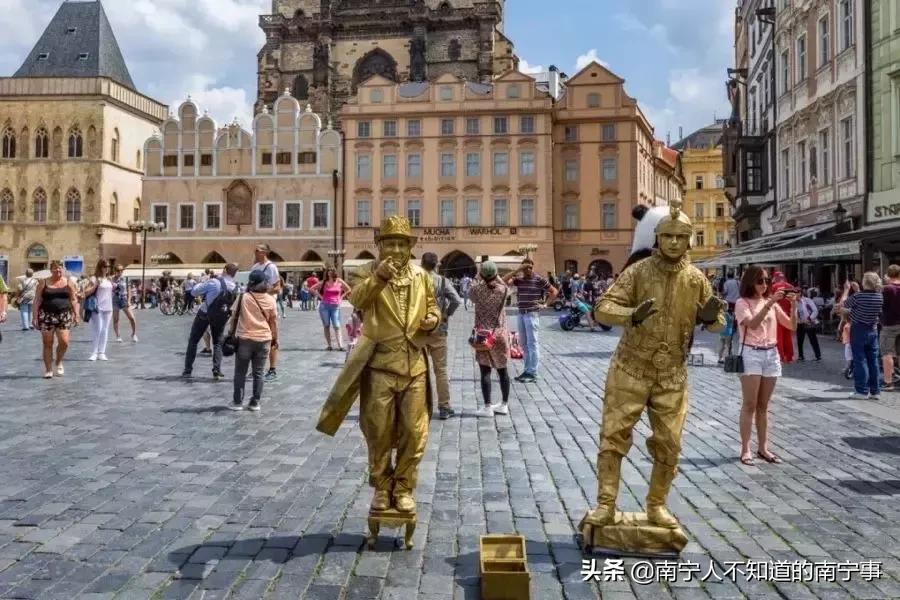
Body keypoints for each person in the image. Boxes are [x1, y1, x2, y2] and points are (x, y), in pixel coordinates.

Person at [586, 201, 724, 535]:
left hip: (672, 374)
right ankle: (606, 503)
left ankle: (657, 504)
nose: (674, 242)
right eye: (668, 236)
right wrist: (630, 315)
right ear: (657, 238)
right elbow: (602, 309)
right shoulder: (639, 271)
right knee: (613, 438)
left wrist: (709, 318)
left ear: (689, 240)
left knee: (670, 443)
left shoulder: (696, 279)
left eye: (680, 236)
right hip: (630, 368)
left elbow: (718, 322)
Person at [317, 216, 440, 514]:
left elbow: (433, 305)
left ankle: (404, 486)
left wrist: (433, 319)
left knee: (414, 430)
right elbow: (357, 300)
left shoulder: (422, 276)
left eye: (402, 244)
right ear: (380, 246)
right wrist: (379, 278)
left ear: (409, 247)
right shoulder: (363, 273)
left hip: (414, 365)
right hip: (379, 366)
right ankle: (382, 487)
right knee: (378, 430)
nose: (396, 250)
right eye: (390, 244)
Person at [734, 266, 797, 466]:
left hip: (771, 353)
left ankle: (763, 447)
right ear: (750, 282)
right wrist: (770, 303)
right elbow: (751, 324)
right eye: (760, 281)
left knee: (764, 406)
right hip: (751, 353)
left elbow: (791, 325)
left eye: (766, 281)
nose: (764, 285)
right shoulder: (742, 303)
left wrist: (793, 306)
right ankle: (745, 448)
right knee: (750, 404)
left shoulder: (771, 303)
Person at [421, 252, 462, 420]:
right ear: (437, 264)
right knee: (441, 370)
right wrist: (446, 314)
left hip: (419, 329)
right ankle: (444, 407)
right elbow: (457, 300)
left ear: (422, 264)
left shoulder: (416, 279)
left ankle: (419, 405)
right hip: (439, 328)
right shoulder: (443, 281)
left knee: (419, 371)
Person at [229, 270, 278, 411]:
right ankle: (255, 402)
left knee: (240, 372)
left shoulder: (243, 297)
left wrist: (231, 333)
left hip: (245, 338)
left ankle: (237, 402)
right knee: (259, 372)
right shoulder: (270, 300)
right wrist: (275, 339)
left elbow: (234, 317)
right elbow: (273, 322)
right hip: (264, 339)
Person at [504, 258, 558, 383]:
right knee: (523, 344)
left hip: (532, 314)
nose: (528, 270)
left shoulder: (538, 279)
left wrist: (545, 304)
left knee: (532, 343)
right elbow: (504, 281)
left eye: (530, 267)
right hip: (521, 314)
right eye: (526, 267)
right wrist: (517, 270)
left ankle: (533, 372)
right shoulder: (520, 280)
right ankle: (527, 370)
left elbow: (554, 291)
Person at [469, 261, 511, 417]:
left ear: (481, 275)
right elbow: (505, 286)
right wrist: (497, 277)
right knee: (503, 371)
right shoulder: (503, 290)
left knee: (485, 371)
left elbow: (471, 293)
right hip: (499, 334)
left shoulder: (476, 290)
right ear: (495, 274)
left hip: (483, 336)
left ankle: (487, 407)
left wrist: (478, 277)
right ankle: (504, 405)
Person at [183, 263, 239, 380]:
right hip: (221, 317)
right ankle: (217, 370)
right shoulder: (235, 287)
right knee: (217, 342)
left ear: (224, 270)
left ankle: (188, 370)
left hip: (205, 314)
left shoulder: (214, 282)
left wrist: (203, 281)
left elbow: (194, 292)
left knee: (193, 341)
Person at [32, 260, 79, 378]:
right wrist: (34, 316)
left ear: (63, 270)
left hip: (64, 314)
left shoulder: (68, 282)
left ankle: (58, 361)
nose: (58, 270)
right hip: (47, 315)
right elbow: (37, 300)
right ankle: (48, 370)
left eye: (60, 268)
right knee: (47, 343)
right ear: (50, 270)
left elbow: (73, 299)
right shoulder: (43, 283)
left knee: (64, 342)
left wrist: (76, 314)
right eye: (55, 268)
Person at [842, 272, 884, 400]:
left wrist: (846, 290)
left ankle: (861, 390)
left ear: (865, 282)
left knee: (860, 360)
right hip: (873, 329)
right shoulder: (879, 296)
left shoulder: (858, 296)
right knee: (873, 360)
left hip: (859, 329)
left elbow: (844, 303)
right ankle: (875, 390)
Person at [251, 243, 283, 381]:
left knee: (271, 336)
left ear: (265, 252)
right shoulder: (254, 267)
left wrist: (262, 290)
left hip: (268, 304)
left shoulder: (271, 267)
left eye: (258, 250)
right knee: (254, 337)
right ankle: (257, 369)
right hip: (255, 304)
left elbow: (278, 288)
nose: (255, 252)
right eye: (255, 250)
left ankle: (272, 369)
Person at [312, 267, 351, 350]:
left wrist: (341, 297)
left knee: (337, 326)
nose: (329, 272)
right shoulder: (324, 282)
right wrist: (320, 297)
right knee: (326, 326)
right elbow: (312, 289)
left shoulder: (339, 281)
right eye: (328, 271)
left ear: (334, 272)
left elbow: (348, 289)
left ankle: (340, 345)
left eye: (331, 270)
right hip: (324, 307)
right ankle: (329, 345)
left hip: (335, 307)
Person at [84, 260, 114, 361]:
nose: (107, 268)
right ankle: (94, 352)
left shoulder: (109, 279)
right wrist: (96, 285)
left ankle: (102, 352)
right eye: (105, 266)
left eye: (109, 266)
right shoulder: (94, 278)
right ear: (100, 267)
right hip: (97, 307)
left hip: (108, 307)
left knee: (105, 330)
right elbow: (86, 292)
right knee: (98, 329)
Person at [880, 264, 900, 391]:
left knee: (887, 353)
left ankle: (888, 382)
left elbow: (880, 305)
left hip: (889, 324)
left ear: (888, 274)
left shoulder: (887, 289)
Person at [769, 272, 796, 363]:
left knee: (778, 337)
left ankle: (780, 356)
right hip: (789, 314)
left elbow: (770, 299)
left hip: (777, 315)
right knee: (788, 337)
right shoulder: (791, 287)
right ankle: (789, 356)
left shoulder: (774, 287)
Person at [111, 265, 138, 343]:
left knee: (132, 318)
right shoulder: (111, 279)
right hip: (115, 300)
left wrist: (129, 300)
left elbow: (129, 290)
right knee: (116, 319)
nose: (120, 272)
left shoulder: (126, 279)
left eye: (121, 270)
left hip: (124, 299)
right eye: (118, 270)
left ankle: (134, 334)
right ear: (115, 271)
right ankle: (118, 336)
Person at [796, 290, 821, 361]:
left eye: (796, 293)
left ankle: (818, 356)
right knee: (799, 340)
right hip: (800, 322)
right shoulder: (794, 302)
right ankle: (801, 356)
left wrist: (810, 318)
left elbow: (815, 310)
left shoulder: (807, 300)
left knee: (813, 339)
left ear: (800, 293)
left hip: (809, 322)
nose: (795, 295)